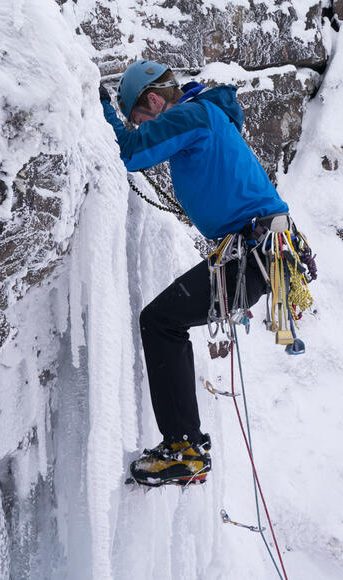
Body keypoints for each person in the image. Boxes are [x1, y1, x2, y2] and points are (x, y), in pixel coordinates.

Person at [99, 60, 289, 487]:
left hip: (249, 253)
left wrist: (98, 104)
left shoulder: (192, 114)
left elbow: (130, 151)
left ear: (153, 99)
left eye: (140, 118)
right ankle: (186, 444)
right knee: (164, 321)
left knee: (160, 322)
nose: (141, 127)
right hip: (254, 252)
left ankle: (183, 446)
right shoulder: (208, 115)